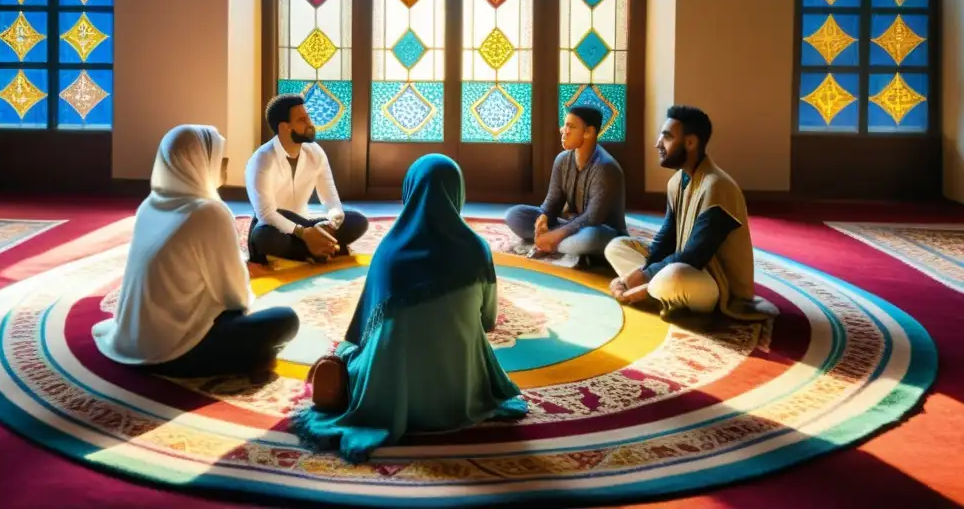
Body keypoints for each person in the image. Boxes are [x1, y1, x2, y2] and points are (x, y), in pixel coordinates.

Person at [291, 154, 528, 463]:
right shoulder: (477, 249)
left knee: (356, 353)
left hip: (391, 392)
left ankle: (346, 377)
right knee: (471, 340)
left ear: (410, 191)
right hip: (460, 394)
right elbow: (487, 320)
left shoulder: (390, 252)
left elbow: (364, 327)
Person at [93, 124, 300, 378]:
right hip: (179, 351)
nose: (225, 167)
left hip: (133, 339)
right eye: (220, 160)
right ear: (198, 163)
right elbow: (236, 296)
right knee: (285, 319)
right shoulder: (208, 212)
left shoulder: (149, 206)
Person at [604, 105, 778, 321]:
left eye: (666, 137)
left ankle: (658, 291)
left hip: (712, 282)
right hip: (682, 266)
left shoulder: (717, 186)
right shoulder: (676, 181)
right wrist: (640, 272)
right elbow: (666, 238)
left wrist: (642, 275)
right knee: (617, 247)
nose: (658, 144)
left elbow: (695, 255)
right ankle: (661, 293)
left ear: (691, 142)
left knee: (675, 276)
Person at [245, 94, 368, 265]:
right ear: (284, 127)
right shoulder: (262, 159)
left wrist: (329, 224)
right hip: (274, 226)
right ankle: (320, 248)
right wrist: (304, 233)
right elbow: (266, 213)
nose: (310, 124)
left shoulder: (315, 152)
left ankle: (312, 248)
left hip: (307, 222)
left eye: (308, 118)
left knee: (357, 221)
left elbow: (331, 199)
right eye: (302, 120)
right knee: (265, 238)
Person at [504, 105, 627, 266]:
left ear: (588, 132)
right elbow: (552, 201)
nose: (563, 130)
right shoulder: (562, 160)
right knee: (515, 215)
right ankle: (560, 246)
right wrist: (544, 218)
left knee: (589, 239)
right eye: (564, 125)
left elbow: (592, 218)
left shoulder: (605, 167)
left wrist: (554, 235)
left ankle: (552, 244)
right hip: (570, 224)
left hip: (600, 231)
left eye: (571, 126)